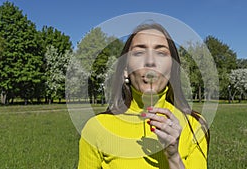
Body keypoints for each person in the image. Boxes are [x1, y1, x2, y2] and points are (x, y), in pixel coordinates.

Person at [78, 22, 210, 169]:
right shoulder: (96, 127)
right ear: (125, 70)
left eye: (161, 53)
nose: (150, 61)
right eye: (139, 52)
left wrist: (173, 158)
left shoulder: (194, 125)